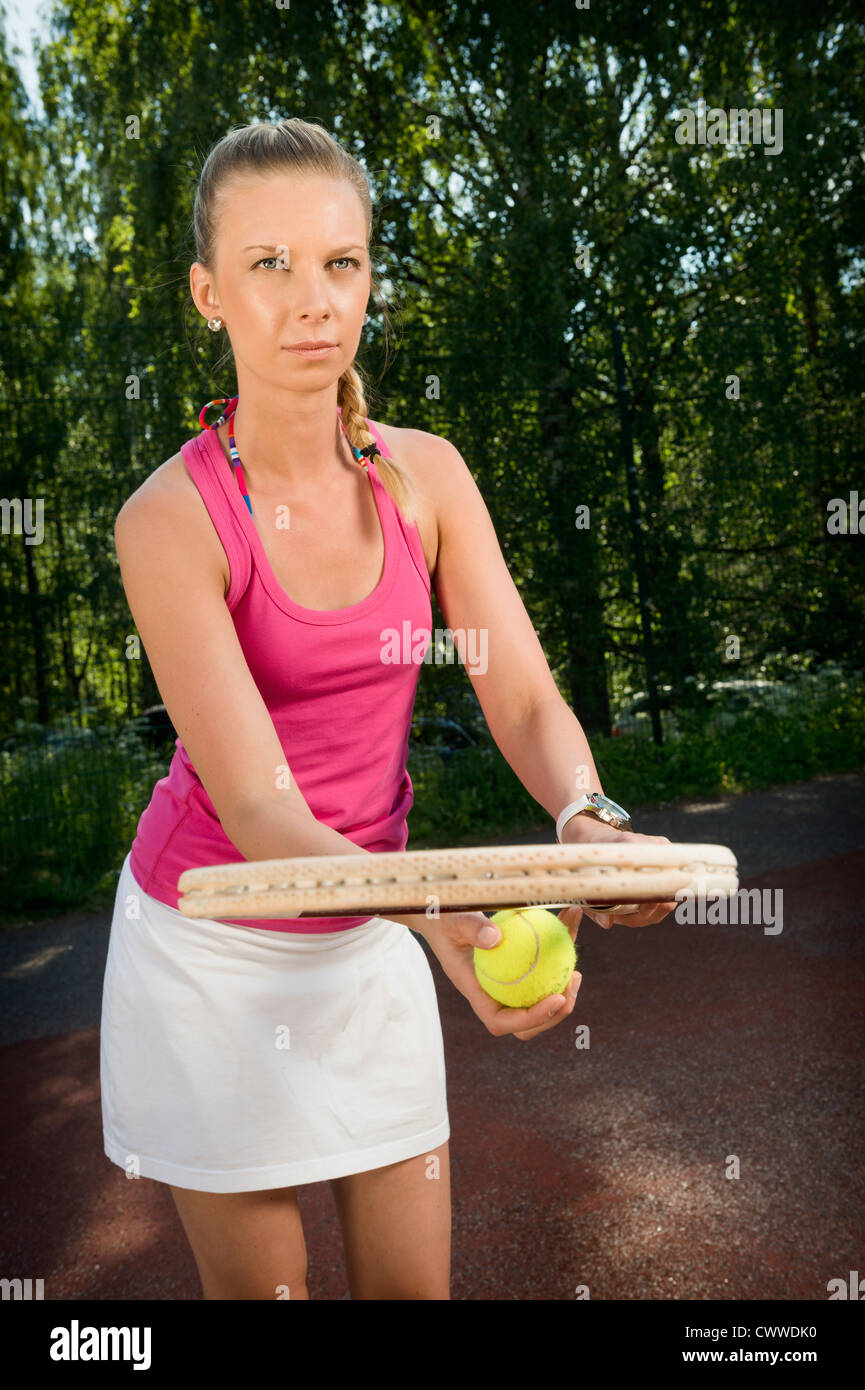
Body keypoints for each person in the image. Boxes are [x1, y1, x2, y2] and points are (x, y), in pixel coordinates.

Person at [99, 116, 676, 1302]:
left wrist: (584, 812)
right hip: (213, 952)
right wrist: (444, 917)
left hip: (371, 928)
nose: (313, 300)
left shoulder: (430, 478)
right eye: (270, 265)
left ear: (369, 275)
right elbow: (261, 809)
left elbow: (518, 689)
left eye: (341, 262)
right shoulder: (166, 520)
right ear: (207, 293)